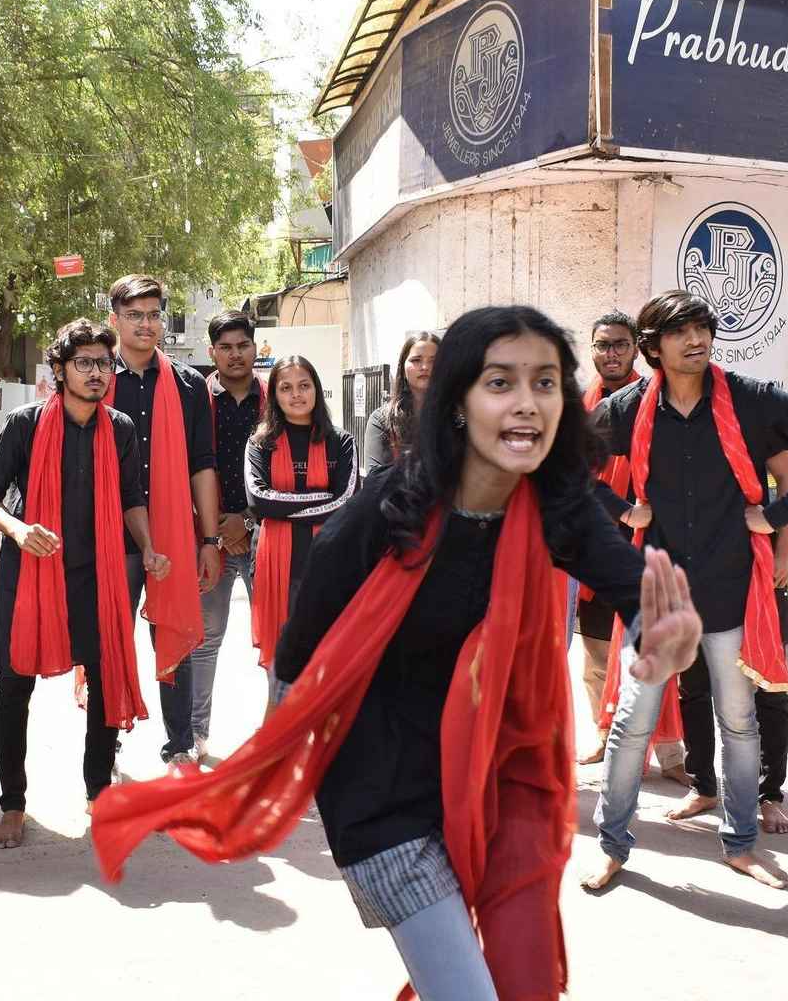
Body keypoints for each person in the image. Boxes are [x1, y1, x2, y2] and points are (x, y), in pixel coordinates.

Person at [90, 307, 701, 1001]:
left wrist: (665, 640)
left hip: (494, 789)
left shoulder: (559, 506)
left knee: (516, 978)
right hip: (380, 791)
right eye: (501, 382)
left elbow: (637, 598)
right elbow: (300, 647)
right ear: (458, 402)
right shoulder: (391, 506)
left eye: (545, 382)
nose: (527, 402)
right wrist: (288, 754)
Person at [583, 289, 788, 892]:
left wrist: (776, 515)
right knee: (633, 723)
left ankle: (741, 843)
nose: (697, 339)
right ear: (653, 346)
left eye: (703, 328)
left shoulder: (753, 400)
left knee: (738, 720)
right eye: (681, 331)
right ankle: (612, 845)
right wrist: (622, 510)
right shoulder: (628, 408)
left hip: (731, 587)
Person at [0, 320, 168, 848]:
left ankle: (98, 793)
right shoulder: (24, 423)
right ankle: (13, 805)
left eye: (103, 363)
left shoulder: (120, 428)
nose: (96, 373)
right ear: (60, 371)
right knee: (15, 687)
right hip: (30, 574)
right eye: (84, 363)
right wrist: (19, 531)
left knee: (106, 682)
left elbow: (132, 498)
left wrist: (147, 548)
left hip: (97, 575)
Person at [105, 274, 218, 772]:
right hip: (110, 533)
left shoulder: (189, 385)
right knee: (110, 638)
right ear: (115, 320)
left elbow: (202, 465)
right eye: (135, 315)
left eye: (154, 314)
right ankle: (104, 744)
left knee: (175, 632)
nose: (146, 324)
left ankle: (179, 745)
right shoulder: (95, 378)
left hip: (171, 531)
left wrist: (208, 539)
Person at [578, 311, 686, 781]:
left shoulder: (652, 400)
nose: (612, 353)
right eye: (603, 345)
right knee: (598, 652)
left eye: (621, 344)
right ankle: (607, 737)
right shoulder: (580, 407)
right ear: (592, 350)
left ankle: (672, 755)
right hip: (593, 544)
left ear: (636, 348)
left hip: (649, 541)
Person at [675, 449, 788, 833]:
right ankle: (702, 785)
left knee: (768, 686)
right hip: (693, 569)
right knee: (693, 683)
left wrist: (784, 550)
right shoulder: (674, 421)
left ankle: (769, 795)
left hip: (755, 569)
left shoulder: (754, 417)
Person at [245, 354, 357, 670]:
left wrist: (280, 507)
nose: (296, 394)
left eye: (304, 385)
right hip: (276, 567)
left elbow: (346, 502)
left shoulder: (341, 442)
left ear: (316, 389)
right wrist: (323, 500)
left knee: (327, 664)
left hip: (328, 567)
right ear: (274, 395)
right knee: (282, 668)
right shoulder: (260, 443)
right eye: (286, 388)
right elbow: (259, 502)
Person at [188, 311, 265, 759]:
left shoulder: (274, 399)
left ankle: (278, 735)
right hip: (208, 539)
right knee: (205, 640)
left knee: (274, 639)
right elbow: (185, 466)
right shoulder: (197, 400)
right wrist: (215, 529)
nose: (235, 355)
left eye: (243, 346)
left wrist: (247, 522)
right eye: (226, 347)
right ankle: (195, 735)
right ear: (212, 351)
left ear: (255, 347)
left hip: (265, 538)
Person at [362, 331, 439, 471]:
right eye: (416, 360)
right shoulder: (381, 420)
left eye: (433, 361)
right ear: (402, 367)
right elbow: (375, 478)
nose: (425, 367)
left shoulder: (457, 420)